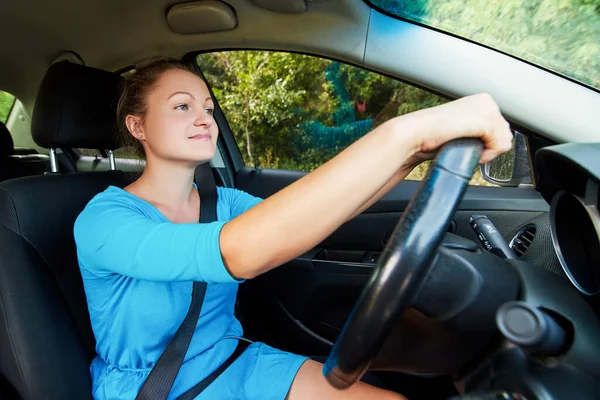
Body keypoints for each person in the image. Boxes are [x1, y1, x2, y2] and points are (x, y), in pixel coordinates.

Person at [74, 58, 512, 400]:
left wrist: (410, 158)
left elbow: (315, 213)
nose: (205, 118)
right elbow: (238, 252)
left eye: (208, 107)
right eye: (182, 107)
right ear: (138, 126)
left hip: (232, 360)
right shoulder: (105, 220)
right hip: (152, 387)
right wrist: (407, 134)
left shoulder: (224, 202)